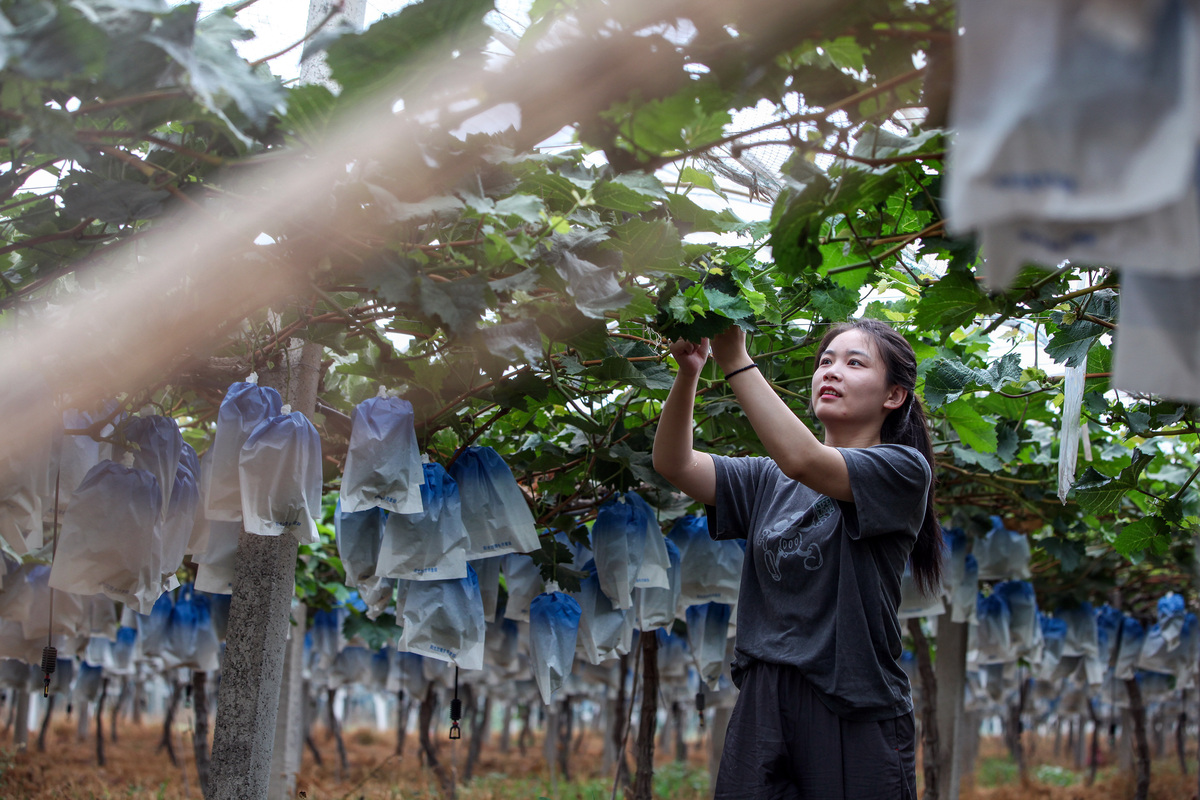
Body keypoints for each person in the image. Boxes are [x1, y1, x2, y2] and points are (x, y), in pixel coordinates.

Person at [652, 318, 942, 800]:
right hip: (764, 697)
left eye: (854, 363)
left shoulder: (902, 470)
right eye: (825, 361)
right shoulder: (769, 479)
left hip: (852, 703)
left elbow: (805, 460)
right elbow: (674, 464)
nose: (831, 371)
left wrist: (736, 360)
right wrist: (688, 374)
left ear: (893, 396)